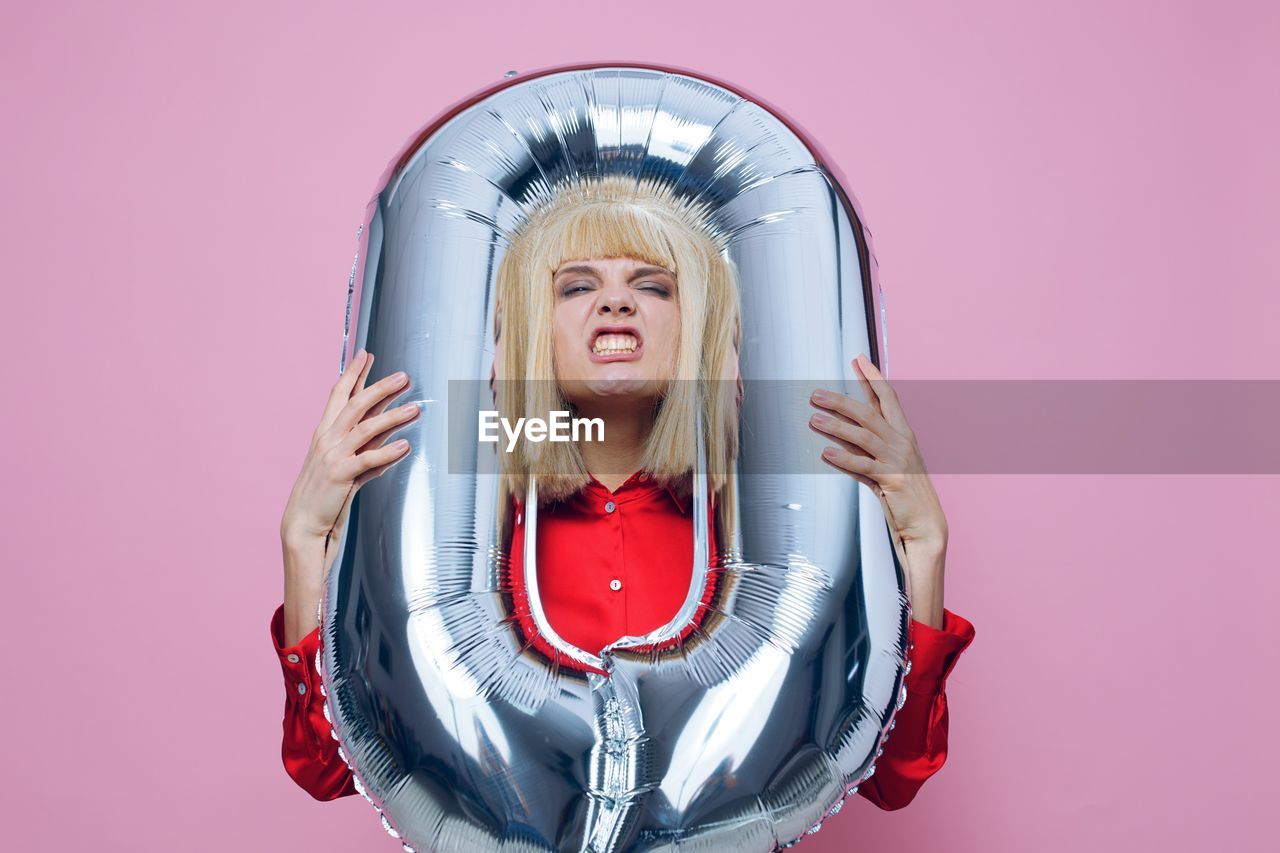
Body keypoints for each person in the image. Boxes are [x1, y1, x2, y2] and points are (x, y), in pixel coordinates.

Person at [272, 177, 976, 813]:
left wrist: (923, 549)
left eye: (655, 285)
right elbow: (330, 766)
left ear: (694, 322)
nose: (615, 300)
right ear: (531, 328)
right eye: (575, 286)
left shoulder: (762, 539)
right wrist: (305, 544)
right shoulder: (466, 544)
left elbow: (891, 775)